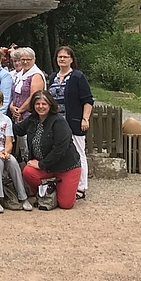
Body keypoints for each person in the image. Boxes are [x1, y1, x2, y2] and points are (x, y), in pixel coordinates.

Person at [14, 90, 82, 210]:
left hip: (66, 166)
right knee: (28, 172)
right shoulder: (32, 120)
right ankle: (45, 194)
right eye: (37, 104)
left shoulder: (59, 122)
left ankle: (54, 190)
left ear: (50, 105)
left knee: (66, 205)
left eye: (44, 104)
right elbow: (17, 130)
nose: (40, 107)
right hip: (45, 167)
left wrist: (41, 164)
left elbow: (59, 150)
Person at [49, 46, 94, 200]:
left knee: (78, 153)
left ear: (71, 59)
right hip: (57, 123)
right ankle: (64, 183)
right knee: (60, 152)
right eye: (60, 57)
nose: (62, 59)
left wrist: (85, 118)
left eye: (65, 57)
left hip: (74, 122)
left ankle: (81, 187)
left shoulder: (77, 77)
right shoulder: (53, 77)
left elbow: (88, 100)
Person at [9, 47, 46, 122]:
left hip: (30, 115)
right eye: (23, 59)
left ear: (34, 60)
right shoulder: (19, 75)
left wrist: (20, 110)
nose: (25, 62)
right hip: (17, 114)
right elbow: (15, 93)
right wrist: (12, 107)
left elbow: (34, 96)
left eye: (28, 60)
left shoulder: (36, 75)